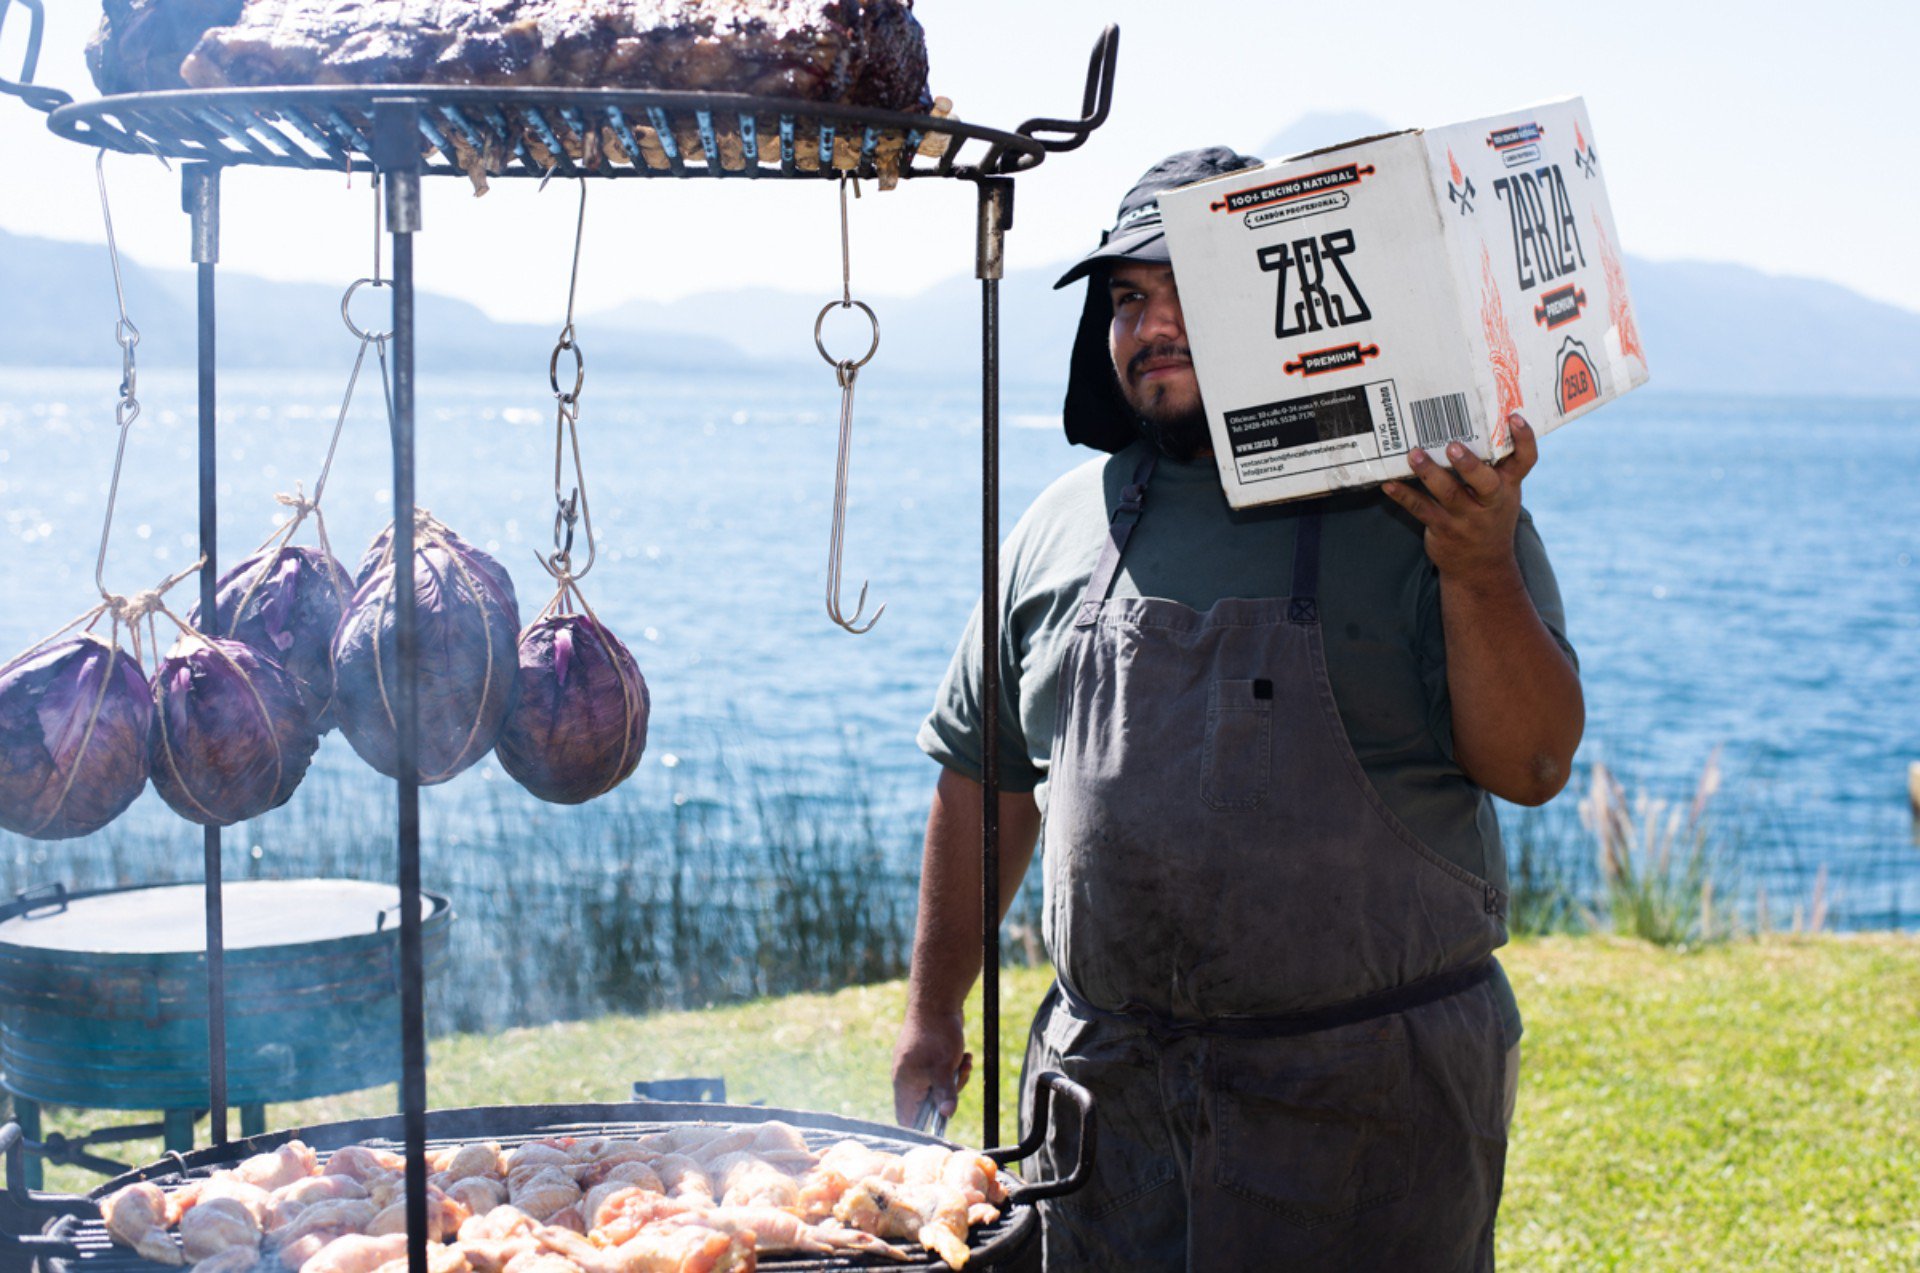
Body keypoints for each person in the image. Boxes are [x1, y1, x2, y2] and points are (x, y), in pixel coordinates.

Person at [891, 146, 1584, 1271]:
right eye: (1127, 299)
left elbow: (1537, 761)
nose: (1150, 325)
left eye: (1188, 292)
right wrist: (933, 1012)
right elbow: (985, 776)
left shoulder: (1429, 501)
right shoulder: (1064, 524)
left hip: (1365, 1111)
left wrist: (1481, 567)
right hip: (1107, 1111)